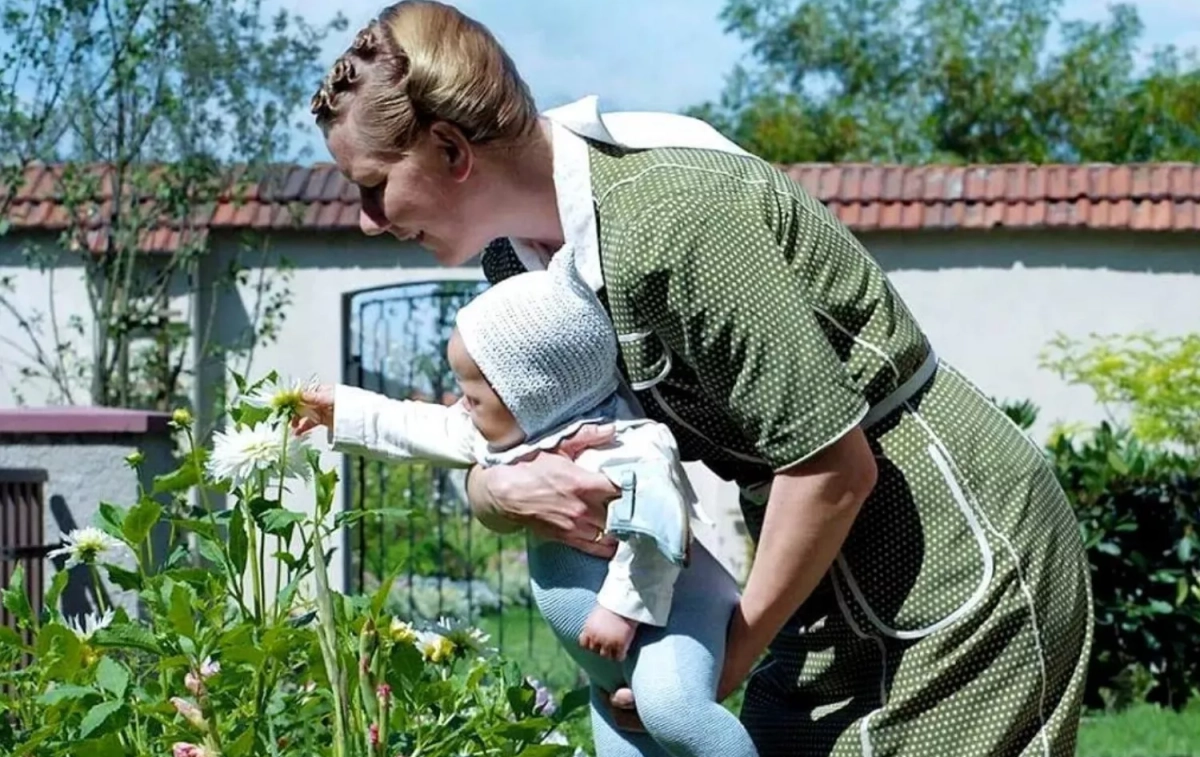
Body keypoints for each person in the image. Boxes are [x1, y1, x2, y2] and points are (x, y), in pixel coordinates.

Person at [309, 2, 1094, 755]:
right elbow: (502, 438)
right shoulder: (515, 264)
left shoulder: (674, 218)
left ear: (452, 149)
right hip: (811, 565)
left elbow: (831, 464)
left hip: (946, 542)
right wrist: (498, 494)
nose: (368, 219)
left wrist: (710, 666)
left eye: (374, 185)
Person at [301, 256, 759, 756]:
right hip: (610, 654)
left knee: (674, 708)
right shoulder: (511, 436)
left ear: (530, 394)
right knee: (623, 746)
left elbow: (659, 529)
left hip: (670, 614)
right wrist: (341, 410)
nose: (460, 405)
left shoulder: (625, 445)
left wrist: (620, 611)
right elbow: (422, 427)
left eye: (472, 396)